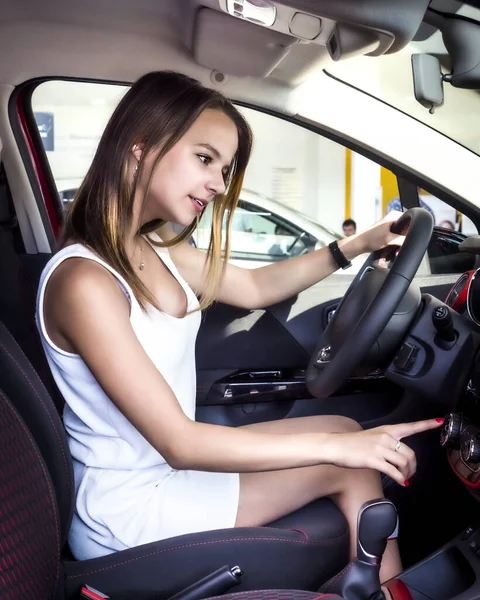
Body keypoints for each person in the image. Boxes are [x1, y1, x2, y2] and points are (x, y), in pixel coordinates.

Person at [36, 72, 443, 587]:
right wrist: (338, 452)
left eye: (224, 168)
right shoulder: (84, 281)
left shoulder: (155, 247)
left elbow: (254, 288)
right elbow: (180, 442)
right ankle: (390, 593)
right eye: (204, 159)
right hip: (127, 509)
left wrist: (355, 246)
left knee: (343, 428)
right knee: (351, 460)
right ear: (139, 148)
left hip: (166, 475)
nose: (218, 183)